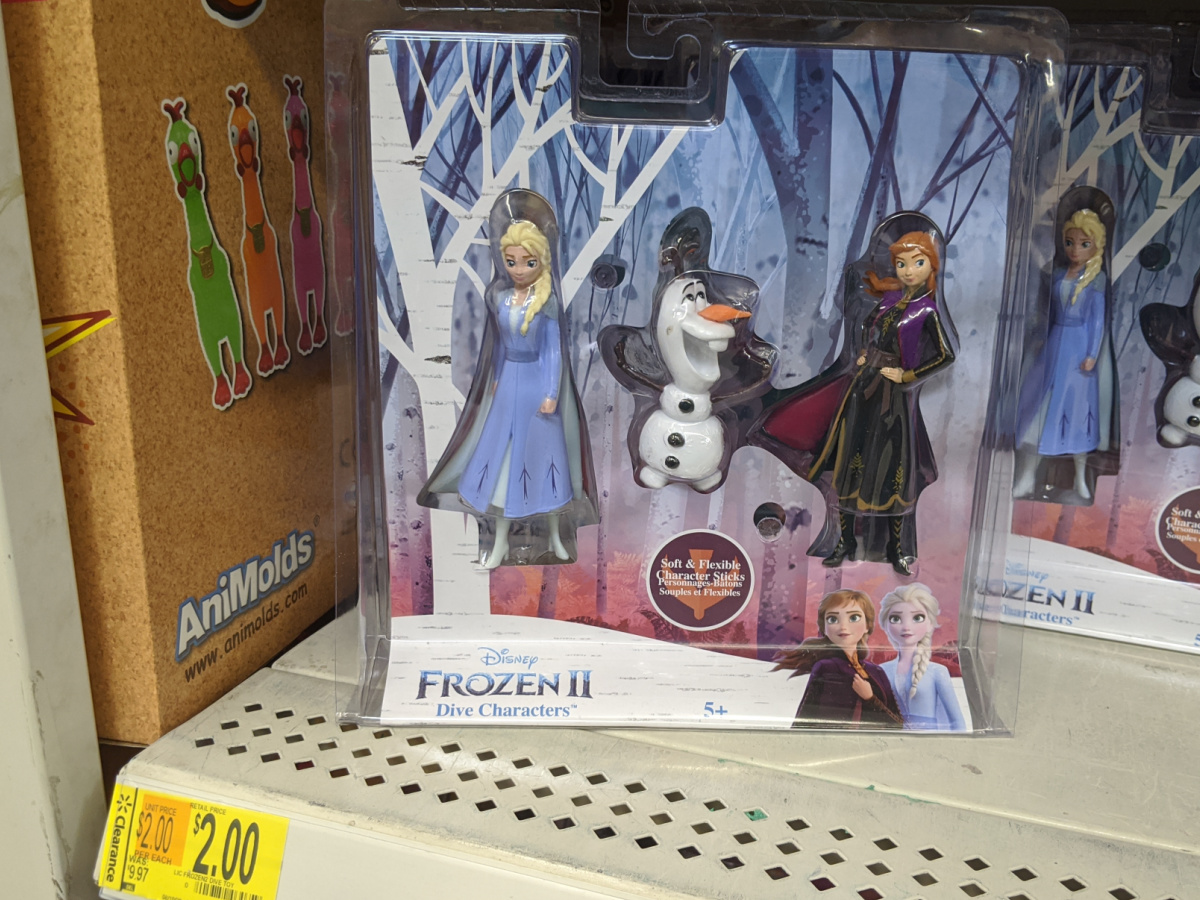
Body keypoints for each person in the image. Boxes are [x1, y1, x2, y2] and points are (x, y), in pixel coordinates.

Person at [419, 190, 596, 567]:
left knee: (545, 458)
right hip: (508, 384)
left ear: (541, 261)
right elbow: (497, 346)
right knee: (502, 457)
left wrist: (551, 392)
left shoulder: (545, 302)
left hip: (536, 386)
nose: (518, 269)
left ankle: (555, 536)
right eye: (511, 261)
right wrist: (495, 378)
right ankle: (499, 541)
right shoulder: (500, 300)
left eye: (527, 262)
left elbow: (553, 352)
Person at [1014, 208, 1112, 500]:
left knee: (1077, 412)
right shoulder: (1057, 274)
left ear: (1096, 246)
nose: (1075, 249)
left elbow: (1097, 321)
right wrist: (1040, 336)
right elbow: (1045, 311)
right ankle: (1027, 476)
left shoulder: (1096, 280)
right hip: (1055, 342)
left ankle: (1082, 478)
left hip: (1079, 350)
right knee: (1039, 407)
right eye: (1070, 242)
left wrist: (1092, 353)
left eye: (1084, 244)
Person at [773, 589, 903, 728]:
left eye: (854, 618)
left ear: (867, 625)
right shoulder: (828, 667)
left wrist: (870, 698)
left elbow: (896, 724)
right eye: (833, 619)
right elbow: (809, 720)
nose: (843, 626)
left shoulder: (877, 671)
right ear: (824, 628)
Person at [878, 583, 966, 731]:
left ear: (930, 624)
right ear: (885, 624)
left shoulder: (937, 671)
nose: (906, 627)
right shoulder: (882, 670)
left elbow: (957, 721)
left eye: (917, 617)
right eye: (895, 618)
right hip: (891, 738)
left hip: (928, 740)